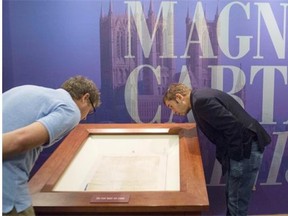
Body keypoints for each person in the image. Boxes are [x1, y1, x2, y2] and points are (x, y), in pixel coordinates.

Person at [163, 83, 271, 216]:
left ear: (179, 97)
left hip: (245, 150)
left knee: (236, 202)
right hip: (245, 148)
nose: (173, 112)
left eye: (171, 106)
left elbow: (233, 127)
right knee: (234, 198)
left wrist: (237, 163)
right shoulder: (200, 96)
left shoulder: (200, 101)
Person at [2, 75, 101, 216]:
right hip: (8, 196)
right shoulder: (71, 110)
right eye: (89, 112)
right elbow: (20, 140)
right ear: (85, 98)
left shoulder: (23, 90)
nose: (84, 118)